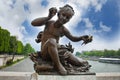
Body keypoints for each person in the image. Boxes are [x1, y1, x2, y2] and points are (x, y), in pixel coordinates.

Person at [31, 4, 92, 75]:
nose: (65, 18)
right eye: (63, 15)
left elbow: (73, 38)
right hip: (46, 52)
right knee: (52, 41)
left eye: (68, 18)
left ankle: (52, 66)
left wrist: (81, 38)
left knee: (80, 63)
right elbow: (33, 23)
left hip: (57, 51)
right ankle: (58, 66)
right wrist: (49, 17)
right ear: (58, 14)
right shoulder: (49, 23)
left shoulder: (63, 29)